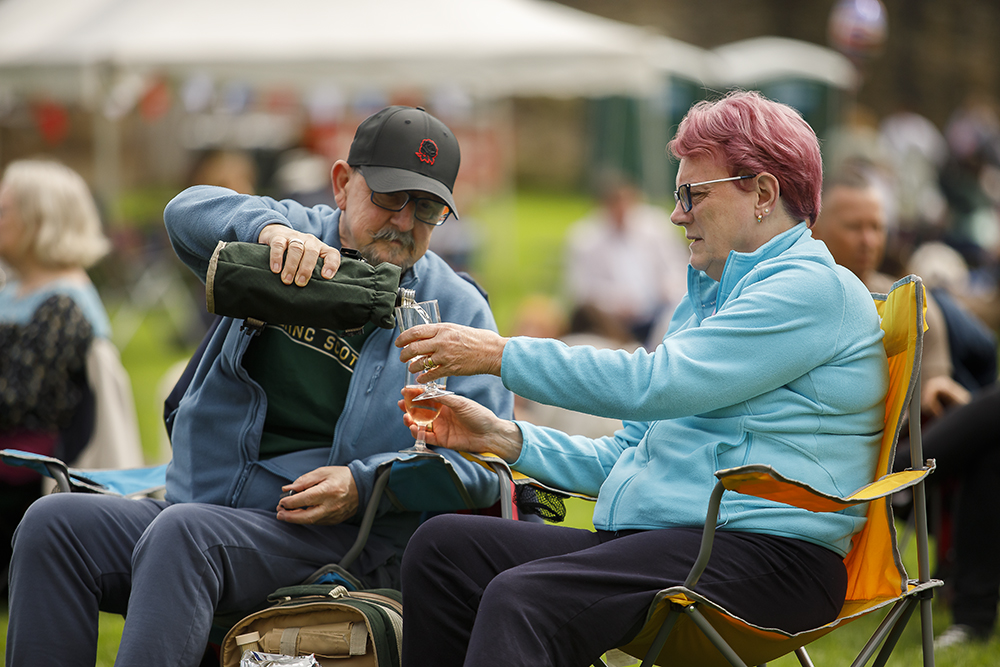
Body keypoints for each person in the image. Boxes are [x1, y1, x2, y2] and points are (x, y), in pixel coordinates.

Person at [393, 90, 889, 667]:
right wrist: (502, 438)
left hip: (766, 557)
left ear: (762, 193)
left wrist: (498, 353)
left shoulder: (810, 288)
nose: (677, 214)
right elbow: (628, 459)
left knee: (523, 596)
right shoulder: (714, 296)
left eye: (692, 194)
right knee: (444, 549)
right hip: (677, 541)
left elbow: (653, 383)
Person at [5, 106, 513, 667]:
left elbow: (483, 470)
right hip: (201, 505)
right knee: (52, 524)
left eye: (428, 207)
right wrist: (268, 233)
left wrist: (365, 485)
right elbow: (185, 211)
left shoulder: (458, 309)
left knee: (183, 537)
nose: (404, 221)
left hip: (336, 542)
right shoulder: (290, 237)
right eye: (391, 197)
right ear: (343, 184)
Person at [0, 159, 137, 584]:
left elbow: (15, 401)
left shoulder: (64, 303)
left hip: (24, 469)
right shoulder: (14, 289)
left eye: (5, 210)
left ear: (40, 221)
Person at [812, 171, 974, 421]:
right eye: (854, 227)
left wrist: (939, 394)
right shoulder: (803, 300)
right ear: (815, 230)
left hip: (910, 443)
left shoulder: (912, 300)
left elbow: (936, 386)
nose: (868, 240)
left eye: (876, 227)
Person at [564, 169, 688, 348]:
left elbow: (677, 267)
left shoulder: (656, 227)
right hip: (612, 322)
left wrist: (667, 288)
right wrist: (615, 303)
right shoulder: (586, 239)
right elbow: (581, 291)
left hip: (659, 311)